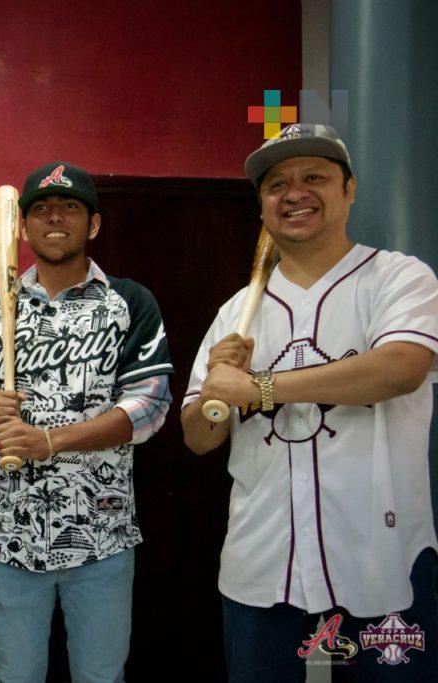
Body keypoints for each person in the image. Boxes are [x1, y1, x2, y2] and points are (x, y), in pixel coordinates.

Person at [181, 124, 438, 681]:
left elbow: (401, 368)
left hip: (380, 563)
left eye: (314, 177)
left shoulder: (398, 277)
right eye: (277, 184)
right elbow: (198, 437)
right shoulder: (236, 313)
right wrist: (219, 388)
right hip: (261, 567)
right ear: (262, 207)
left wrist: (261, 388)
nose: (294, 193)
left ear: (349, 189)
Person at [0, 162, 174, 683]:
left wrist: (48, 441)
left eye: (70, 207)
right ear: (23, 228)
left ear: (93, 224)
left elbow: (150, 407)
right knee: (16, 677)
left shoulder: (128, 302)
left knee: (101, 678)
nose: (55, 217)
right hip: (11, 535)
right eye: (41, 209)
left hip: (102, 533)